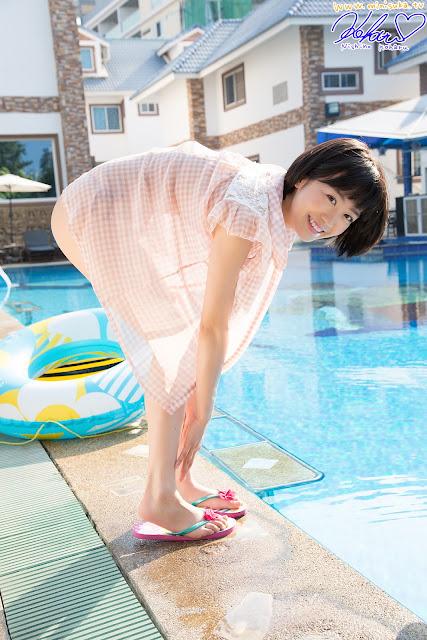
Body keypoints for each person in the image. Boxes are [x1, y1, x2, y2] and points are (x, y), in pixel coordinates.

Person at [51, 137, 389, 541]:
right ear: (303, 178)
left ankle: (179, 481)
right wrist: (203, 410)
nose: (332, 220)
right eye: (331, 198)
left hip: (119, 210)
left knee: (179, 349)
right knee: (171, 348)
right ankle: (160, 496)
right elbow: (213, 325)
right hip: (93, 209)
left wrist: (201, 398)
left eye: (348, 215)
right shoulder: (250, 208)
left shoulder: (278, 204)